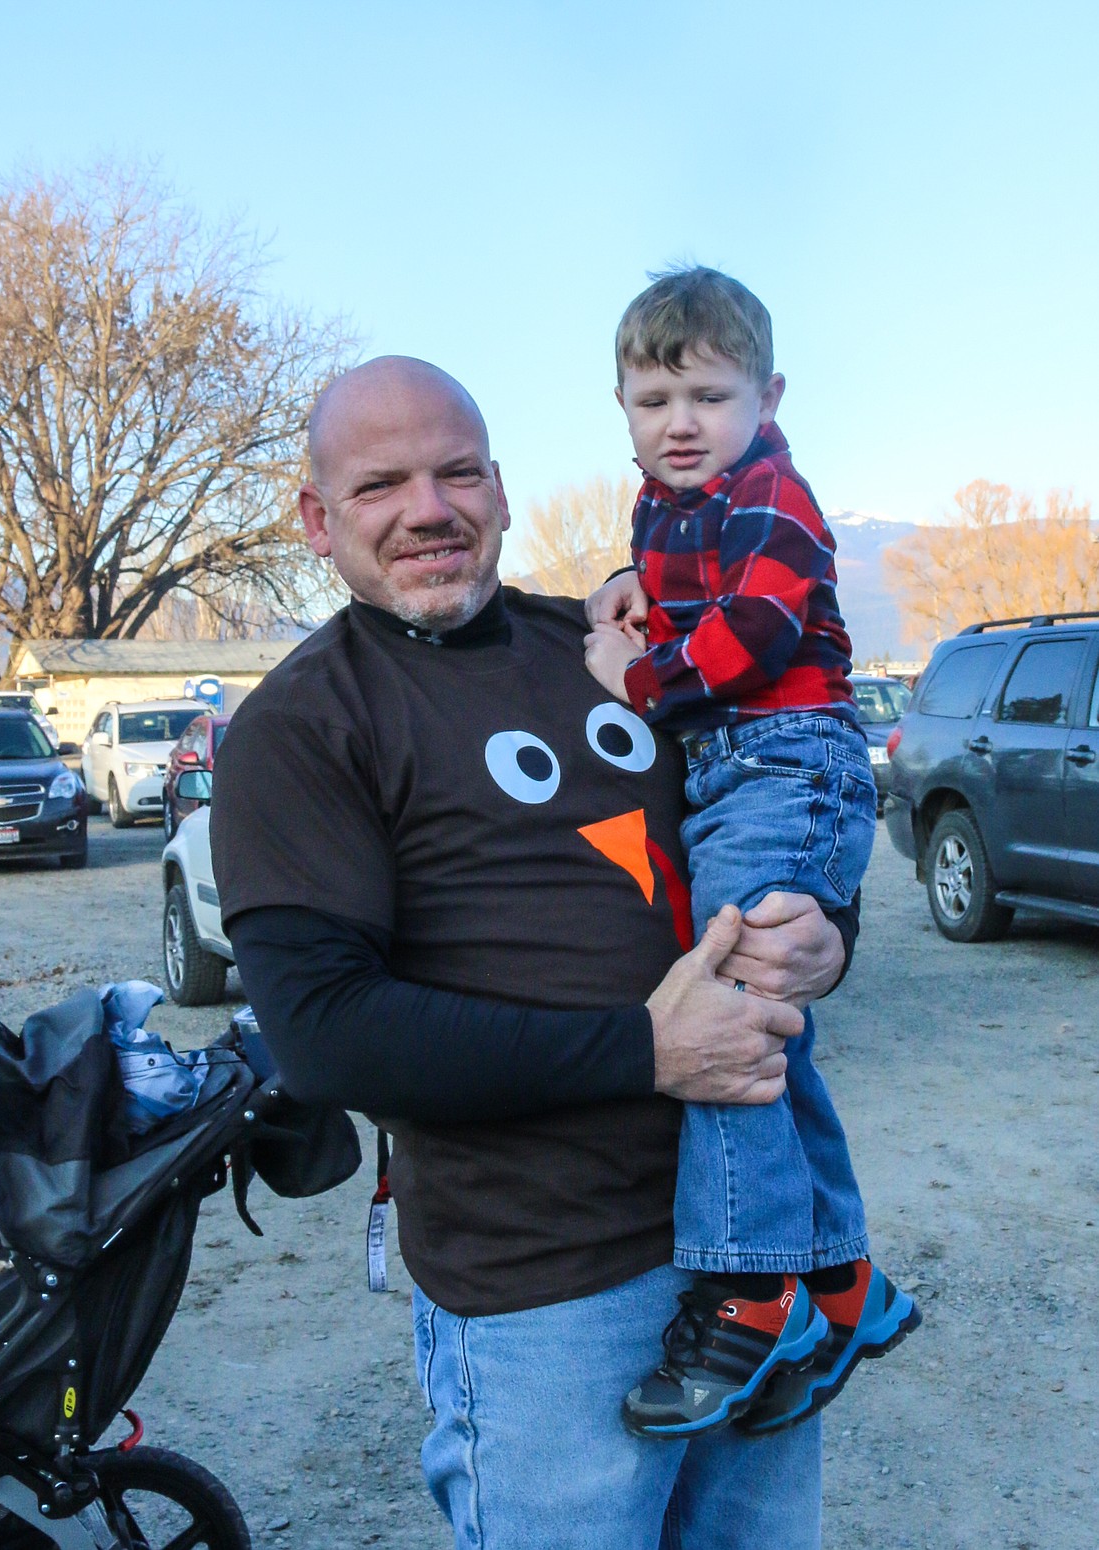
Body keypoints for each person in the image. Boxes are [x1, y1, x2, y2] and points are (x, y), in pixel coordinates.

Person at [210, 354, 860, 1550]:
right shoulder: (300, 727)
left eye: (458, 472)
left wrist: (827, 937)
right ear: (316, 519)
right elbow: (326, 1032)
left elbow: (777, 800)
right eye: (381, 485)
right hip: (547, 1294)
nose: (429, 509)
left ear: (503, 490)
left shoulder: (616, 647)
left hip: (752, 1262)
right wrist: (647, 1049)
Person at [582, 267, 919, 1438]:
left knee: (725, 1016)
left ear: (766, 396)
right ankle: (845, 1286)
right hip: (733, 775)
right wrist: (629, 585)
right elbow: (674, 592)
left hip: (788, 761)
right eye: (653, 398)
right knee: (771, 1026)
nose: (681, 422)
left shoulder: (771, 490)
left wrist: (636, 676)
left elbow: (755, 630)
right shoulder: (659, 504)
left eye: (711, 397)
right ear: (623, 404)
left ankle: (753, 1285)